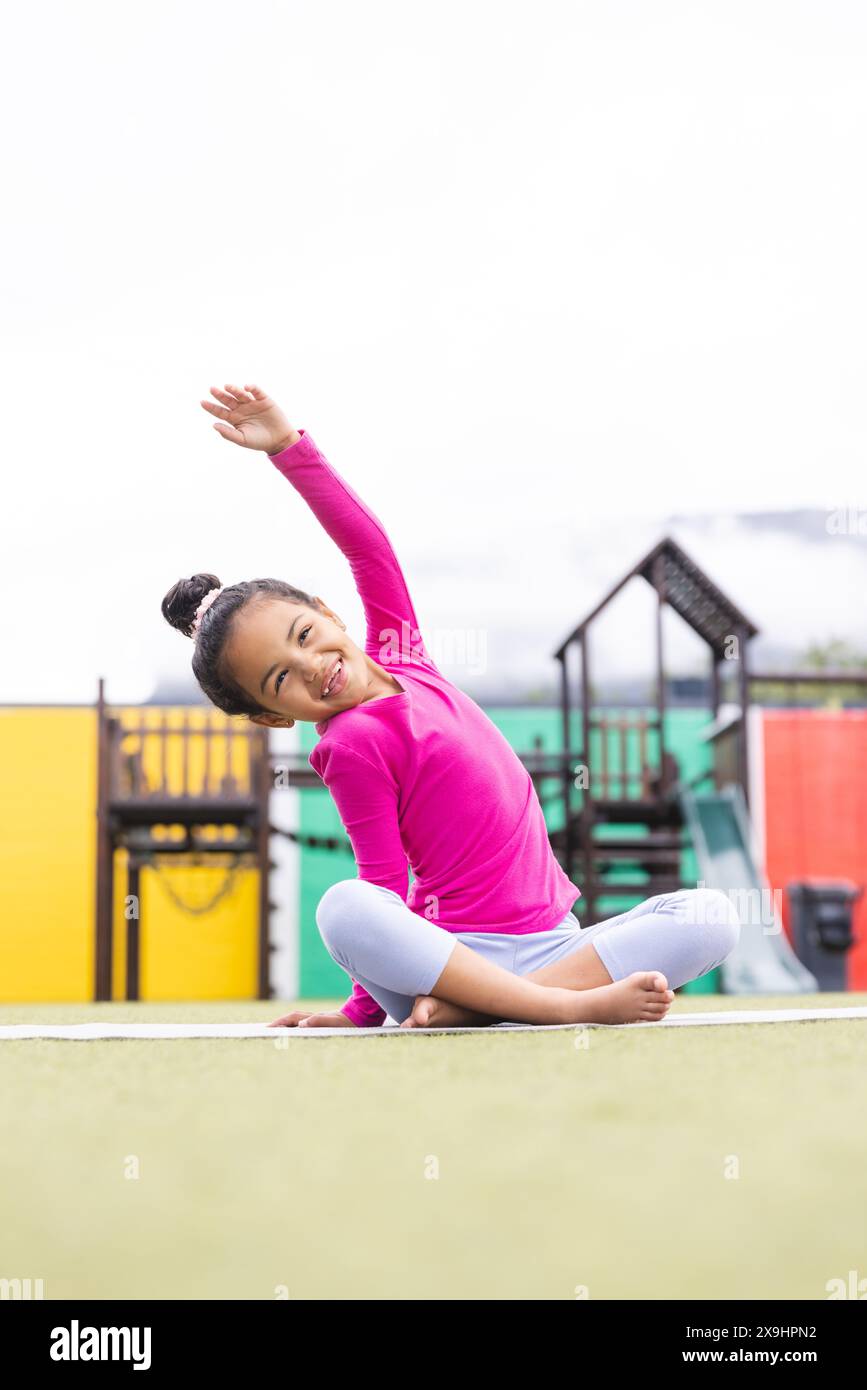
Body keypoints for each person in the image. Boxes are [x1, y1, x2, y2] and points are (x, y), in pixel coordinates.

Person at [161, 383, 740, 1030]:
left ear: (327, 614)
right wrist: (359, 1013)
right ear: (274, 717)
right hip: (452, 959)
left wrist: (289, 447)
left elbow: (368, 547)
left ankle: (484, 1011)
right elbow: (379, 890)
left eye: (304, 635)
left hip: (556, 945)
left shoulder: (404, 654)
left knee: (711, 915)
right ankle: (553, 1008)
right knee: (343, 907)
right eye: (279, 680)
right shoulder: (348, 744)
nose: (312, 665)